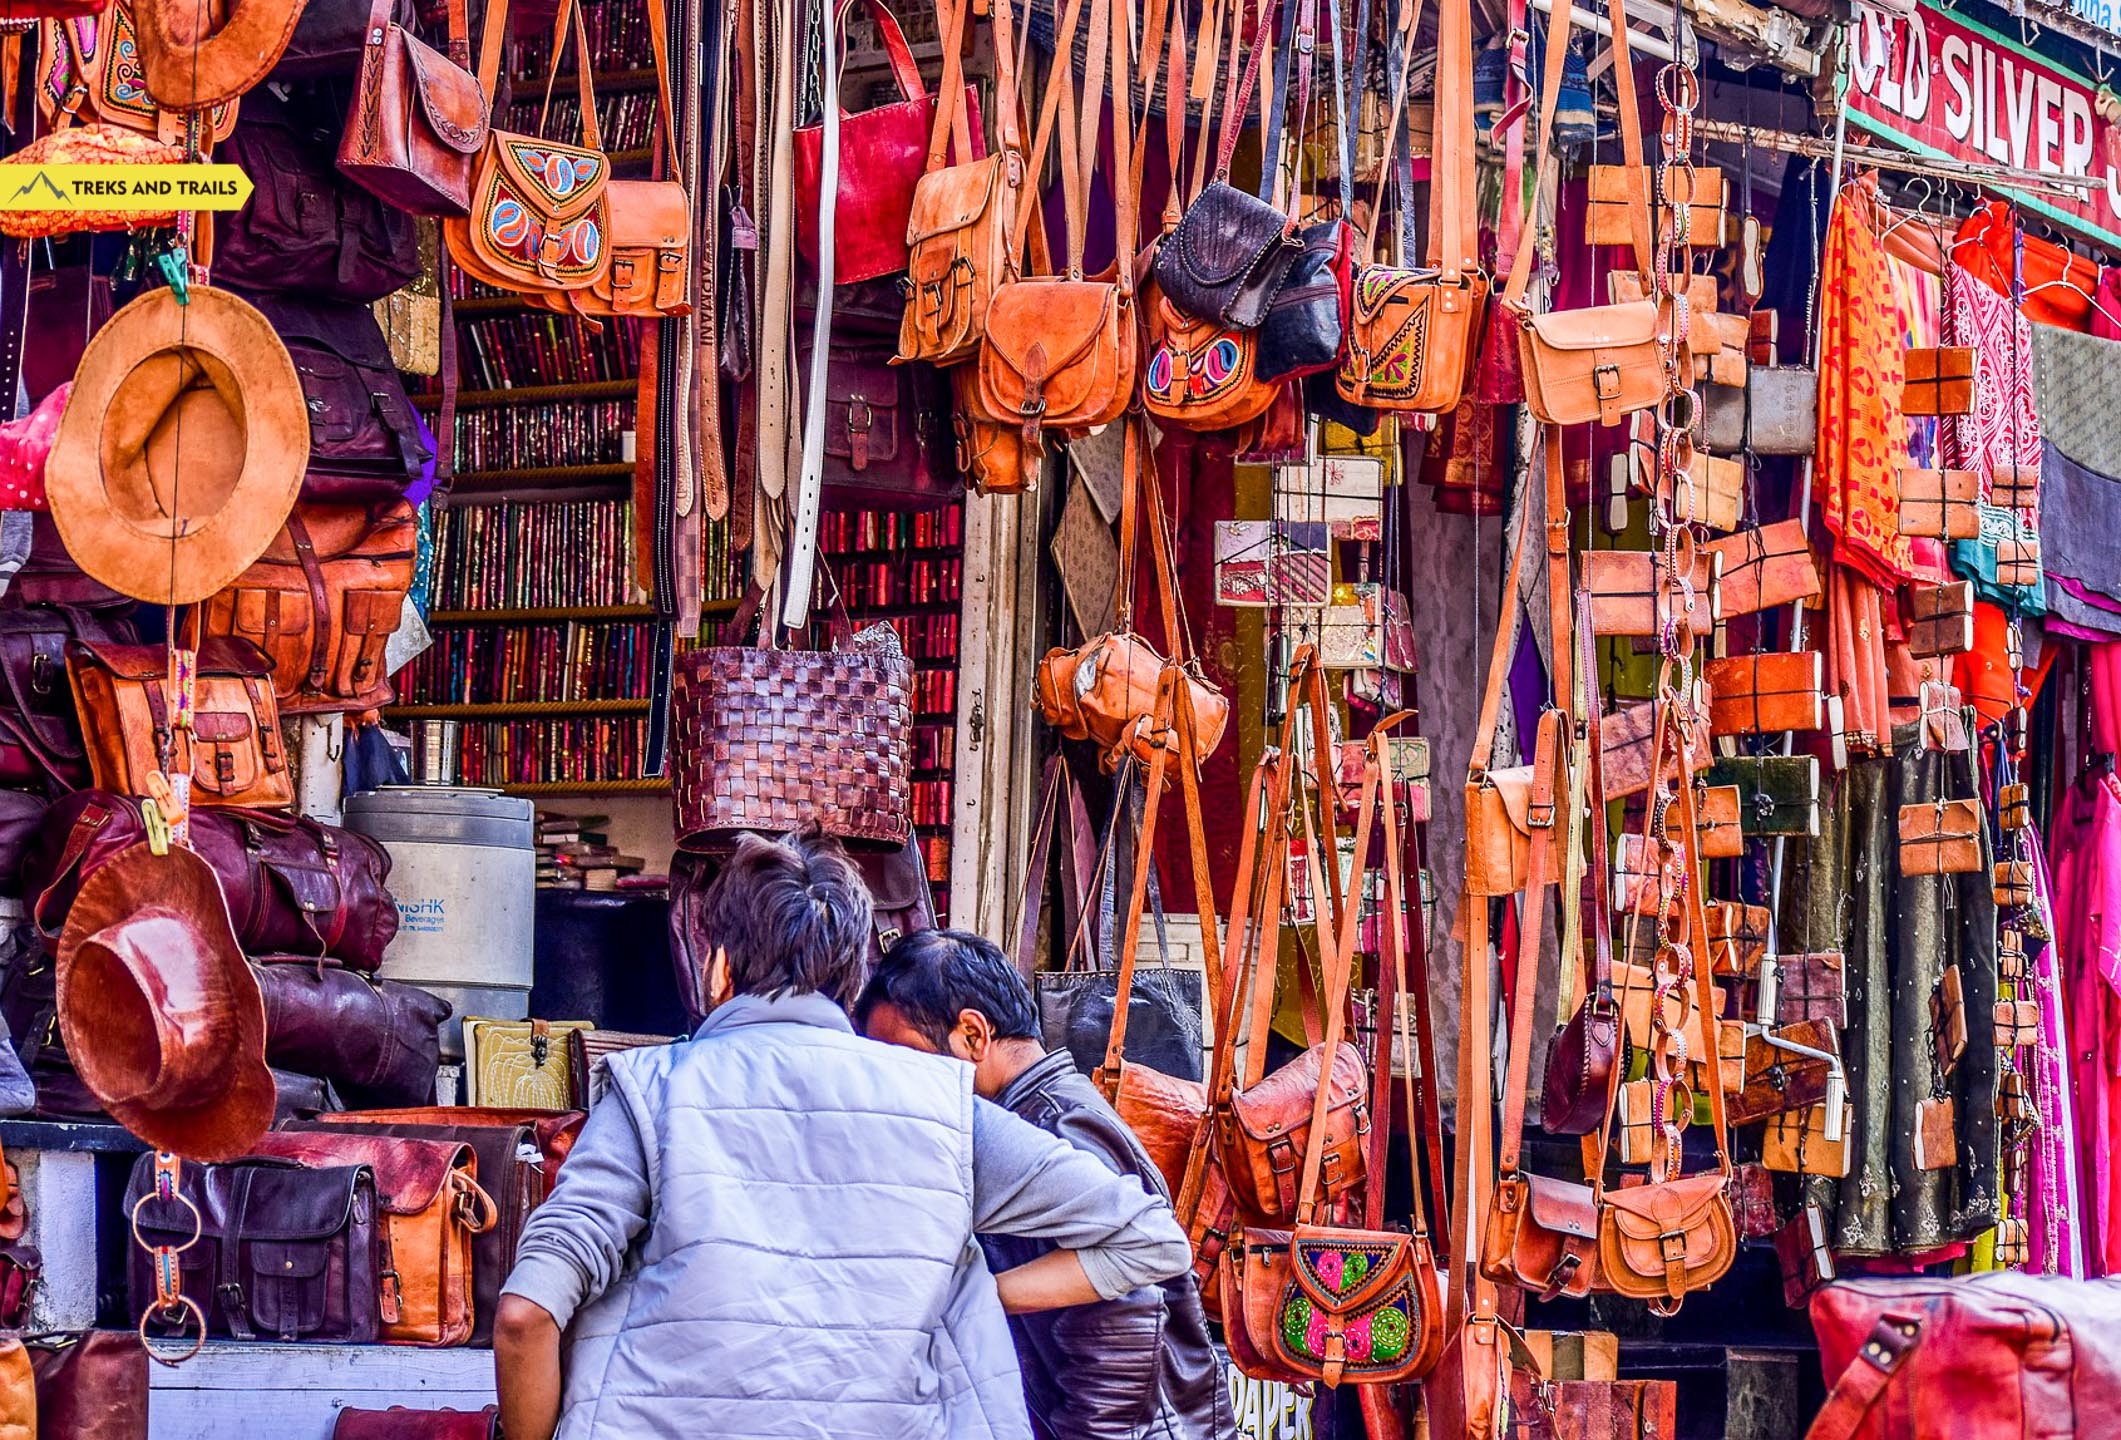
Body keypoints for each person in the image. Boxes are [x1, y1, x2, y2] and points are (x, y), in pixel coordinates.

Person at [493, 830, 1193, 1440]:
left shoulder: (650, 1092)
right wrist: (975, 1295)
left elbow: (525, 1316)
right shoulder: (944, 1106)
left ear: (719, 970)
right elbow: (1151, 1239)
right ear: (849, 978)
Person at [857, 929, 1234, 1440]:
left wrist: (978, 1296)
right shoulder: (1044, 1112)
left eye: (906, 1058)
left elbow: (1122, 1332)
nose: (898, 1083)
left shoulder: (1052, 1129)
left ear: (973, 1034)